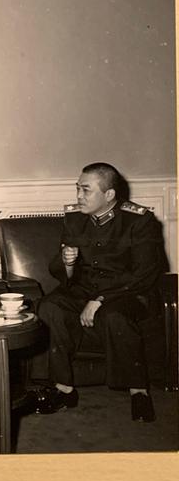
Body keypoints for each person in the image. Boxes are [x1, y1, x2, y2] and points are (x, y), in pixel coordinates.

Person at [32, 162, 165, 422]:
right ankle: (64, 388)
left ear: (109, 195)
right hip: (83, 290)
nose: (78, 196)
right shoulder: (74, 219)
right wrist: (68, 262)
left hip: (126, 293)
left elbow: (144, 274)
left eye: (86, 190)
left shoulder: (139, 221)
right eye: (77, 189)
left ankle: (138, 391)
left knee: (114, 316)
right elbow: (60, 272)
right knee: (50, 306)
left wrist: (100, 299)